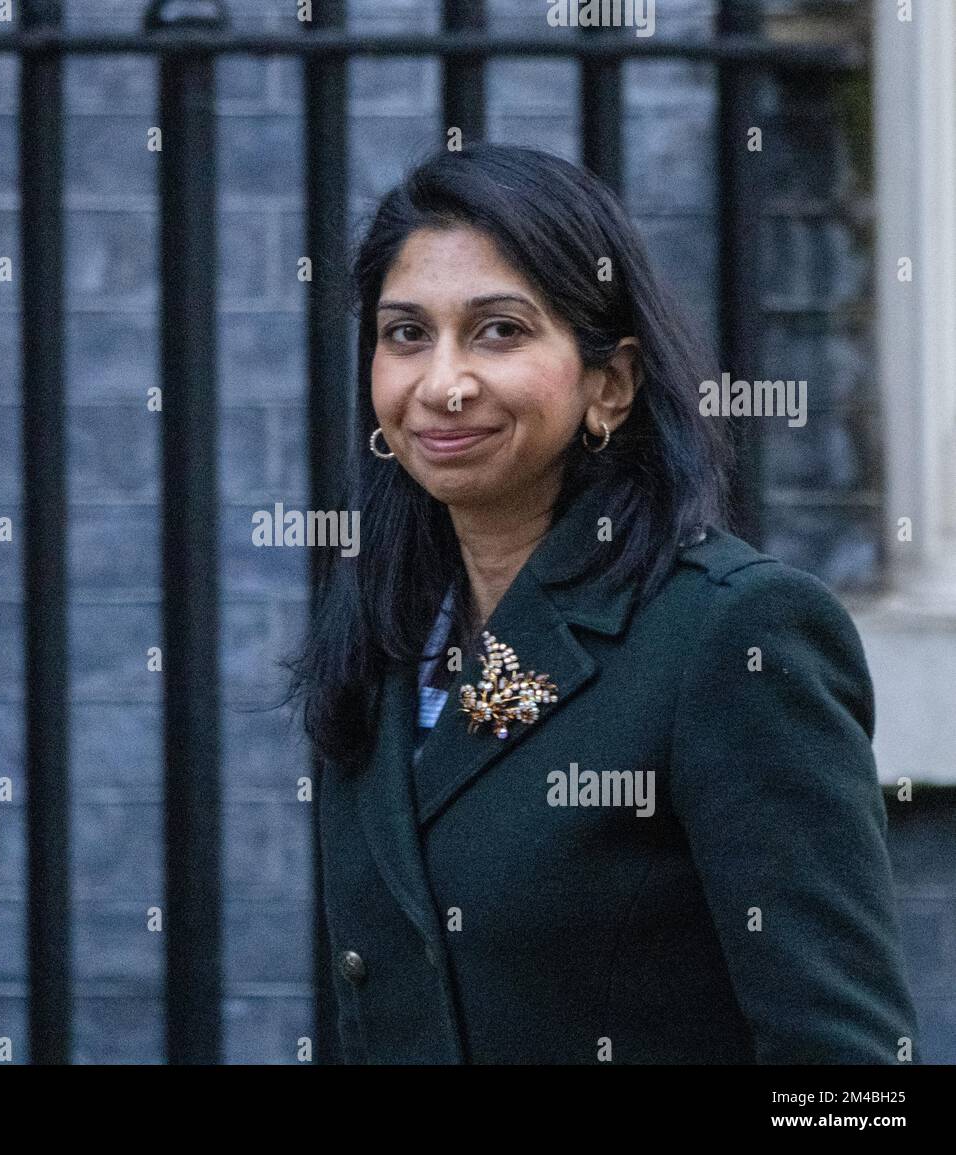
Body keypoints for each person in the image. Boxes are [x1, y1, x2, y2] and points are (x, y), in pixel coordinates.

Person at [286, 142, 919, 1064]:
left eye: (499, 330)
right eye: (406, 333)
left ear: (609, 384)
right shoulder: (385, 648)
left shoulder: (731, 635)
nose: (442, 383)